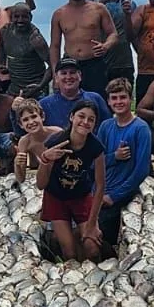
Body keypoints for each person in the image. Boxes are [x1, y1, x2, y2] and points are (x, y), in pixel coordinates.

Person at [38, 99, 106, 261]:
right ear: (71, 117)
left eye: (91, 119)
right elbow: (40, 184)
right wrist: (46, 159)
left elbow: (100, 185)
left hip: (81, 197)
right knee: (69, 253)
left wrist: (92, 223)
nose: (85, 122)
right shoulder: (56, 142)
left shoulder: (96, 147)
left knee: (92, 247)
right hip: (56, 198)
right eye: (81, 116)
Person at [95, 78, 152, 258]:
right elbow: (95, 161)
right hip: (101, 188)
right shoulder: (105, 126)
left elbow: (141, 171)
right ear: (109, 101)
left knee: (105, 234)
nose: (118, 102)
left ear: (130, 99)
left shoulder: (141, 128)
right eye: (114, 98)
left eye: (123, 97)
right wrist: (114, 157)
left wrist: (114, 196)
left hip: (123, 191)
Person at [49, 0, 119, 97]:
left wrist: (105, 46)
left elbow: (113, 34)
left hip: (94, 64)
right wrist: (55, 75)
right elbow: (54, 46)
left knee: (98, 103)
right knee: (70, 105)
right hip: (70, 66)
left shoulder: (98, 9)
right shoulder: (59, 14)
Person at [89, 0, 136, 86]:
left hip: (123, 62)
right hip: (100, 61)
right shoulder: (92, 2)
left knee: (123, 99)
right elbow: (87, 25)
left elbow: (131, 35)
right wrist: (101, 3)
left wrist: (128, 14)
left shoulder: (129, 4)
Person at [39, 58, 109, 130]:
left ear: (80, 76)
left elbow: (108, 127)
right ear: (56, 78)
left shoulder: (96, 99)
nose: (68, 77)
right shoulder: (44, 104)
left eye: (72, 72)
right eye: (64, 73)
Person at [0, 4, 51, 97]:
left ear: (30, 17)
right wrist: (1, 63)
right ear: (11, 17)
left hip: (35, 90)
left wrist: (40, 86)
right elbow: (1, 46)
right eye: (16, 16)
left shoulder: (36, 39)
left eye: (24, 17)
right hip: (14, 88)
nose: (20, 20)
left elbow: (53, 65)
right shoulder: (5, 31)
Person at [14, 98, 63, 180]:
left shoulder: (57, 133)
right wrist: (17, 164)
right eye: (25, 120)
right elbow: (21, 178)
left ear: (42, 116)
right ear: (21, 125)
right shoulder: (24, 142)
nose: (31, 122)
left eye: (34, 117)